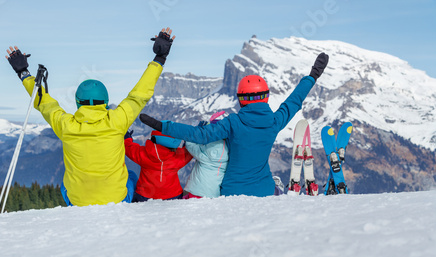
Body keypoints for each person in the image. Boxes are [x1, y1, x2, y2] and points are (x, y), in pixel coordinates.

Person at [5, 28, 176, 206]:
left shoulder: (66, 125)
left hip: (78, 201)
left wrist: (23, 72)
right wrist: (159, 59)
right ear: (105, 101)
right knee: (131, 176)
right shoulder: (118, 120)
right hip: (116, 199)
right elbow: (139, 94)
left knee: (66, 184)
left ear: (78, 102)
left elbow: (44, 103)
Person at [139, 53, 329, 197]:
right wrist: (313, 75)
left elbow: (198, 135)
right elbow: (294, 101)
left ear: (241, 100)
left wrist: (162, 125)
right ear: (266, 97)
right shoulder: (274, 121)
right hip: (264, 190)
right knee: (277, 189)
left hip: (232, 191)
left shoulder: (233, 122)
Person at [124, 129, 192, 202]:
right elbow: (190, 152)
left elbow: (129, 148)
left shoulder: (143, 153)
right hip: (173, 196)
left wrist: (127, 138)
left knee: (131, 175)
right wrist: (188, 143)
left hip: (144, 196)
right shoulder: (178, 156)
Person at [183, 111, 228, 199]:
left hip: (198, 190)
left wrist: (196, 132)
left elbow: (192, 147)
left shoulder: (209, 149)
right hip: (214, 192)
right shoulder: (227, 147)